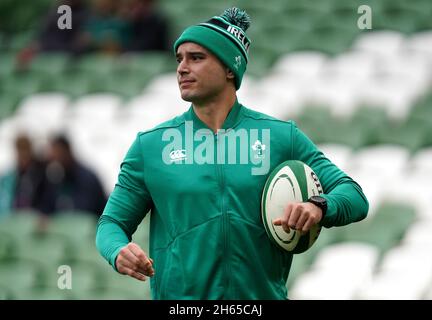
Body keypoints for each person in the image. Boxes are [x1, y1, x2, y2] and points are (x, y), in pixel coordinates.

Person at [96, 7, 369, 299]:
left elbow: (354, 196)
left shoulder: (280, 137)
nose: (182, 68)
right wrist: (118, 250)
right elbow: (110, 224)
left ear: (230, 67)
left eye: (196, 58)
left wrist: (318, 206)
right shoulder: (150, 146)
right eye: (179, 59)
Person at [40, 135, 107, 217]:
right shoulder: (55, 179)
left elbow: (86, 210)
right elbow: (47, 206)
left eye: (58, 154)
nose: (55, 160)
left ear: (67, 151)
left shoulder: (87, 179)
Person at [0, 134, 47, 216]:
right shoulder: (12, 177)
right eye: (20, 151)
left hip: (34, 219)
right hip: (15, 220)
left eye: (25, 150)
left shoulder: (41, 174)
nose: (22, 155)